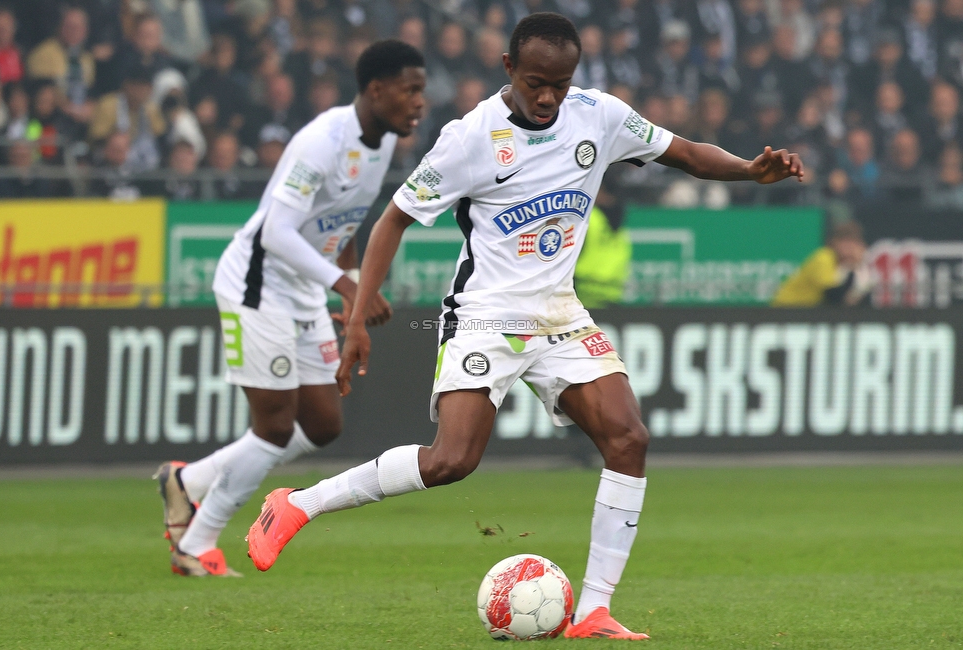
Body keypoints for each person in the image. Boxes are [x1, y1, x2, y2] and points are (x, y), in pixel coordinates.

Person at [246, 12, 803, 639]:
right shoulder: (470, 138)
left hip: (559, 312)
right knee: (452, 461)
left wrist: (750, 170)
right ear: (509, 68)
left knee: (629, 438)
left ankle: (592, 610)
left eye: (560, 85)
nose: (548, 98)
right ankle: (297, 503)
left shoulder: (599, 115)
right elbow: (393, 220)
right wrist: (355, 318)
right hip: (484, 315)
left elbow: (688, 155)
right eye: (537, 82)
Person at [153, 39, 426, 578]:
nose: (420, 102)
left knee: (323, 424)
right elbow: (277, 232)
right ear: (376, 90)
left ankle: (187, 483)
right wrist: (352, 293)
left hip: (302, 289)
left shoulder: (381, 147)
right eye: (411, 89)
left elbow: (342, 232)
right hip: (256, 284)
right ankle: (197, 543)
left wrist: (349, 301)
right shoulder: (322, 141)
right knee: (274, 427)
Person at [772, 220, 872, 307]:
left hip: (809, 311)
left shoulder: (848, 264)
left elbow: (853, 297)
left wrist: (855, 267)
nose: (849, 248)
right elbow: (832, 295)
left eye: (853, 243)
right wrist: (851, 268)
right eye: (845, 243)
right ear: (834, 242)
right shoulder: (824, 257)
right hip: (787, 308)